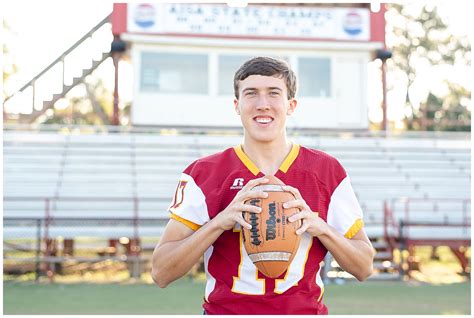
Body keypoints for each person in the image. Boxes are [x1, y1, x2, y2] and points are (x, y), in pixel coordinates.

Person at [151, 56, 375, 314]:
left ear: (291, 105)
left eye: (273, 93)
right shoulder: (204, 174)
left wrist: (320, 227)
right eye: (251, 94)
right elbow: (161, 272)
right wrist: (219, 222)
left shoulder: (326, 171)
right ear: (237, 105)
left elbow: (364, 267)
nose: (262, 104)